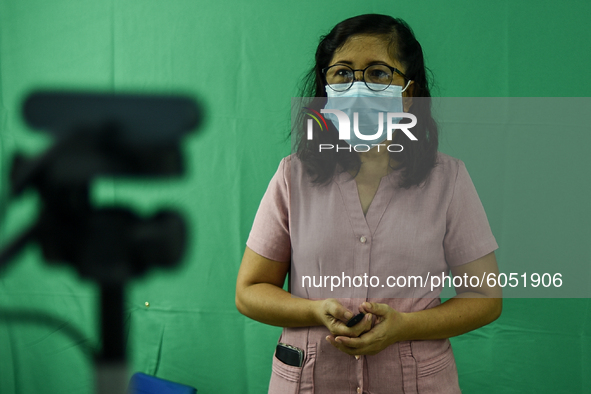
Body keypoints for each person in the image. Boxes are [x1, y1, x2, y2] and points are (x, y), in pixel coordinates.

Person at [236, 14, 502, 394]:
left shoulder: (449, 179)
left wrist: (404, 327)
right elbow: (249, 290)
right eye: (342, 73)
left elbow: (485, 298)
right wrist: (313, 310)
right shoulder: (292, 177)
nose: (357, 88)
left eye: (378, 73)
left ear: (408, 94)